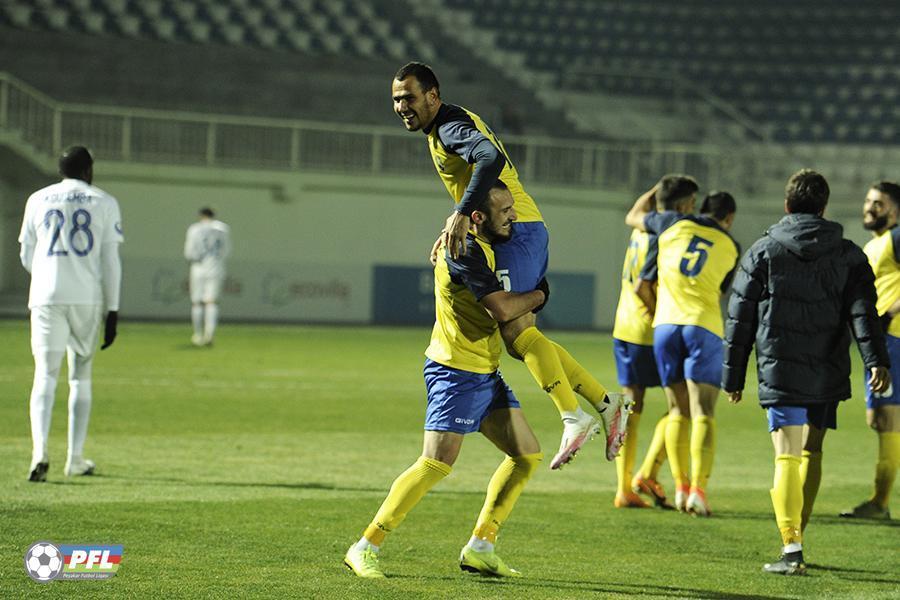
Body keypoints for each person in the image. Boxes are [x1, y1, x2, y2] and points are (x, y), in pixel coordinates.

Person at [391, 61, 628, 470]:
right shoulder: (446, 126)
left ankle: (574, 415)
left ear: (433, 95)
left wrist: (462, 213)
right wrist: (457, 219)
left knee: (516, 330)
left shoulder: (448, 128)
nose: (401, 107)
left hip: (514, 228)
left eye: (409, 97)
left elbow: (490, 159)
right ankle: (606, 405)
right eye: (396, 100)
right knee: (520, 335)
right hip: (513, 228)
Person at [344, 181, 546, 578]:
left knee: (525, 455)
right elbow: (503, 309)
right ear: (478, 217)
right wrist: (540, 294)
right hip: (455, 371)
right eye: (505, 211)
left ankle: (481, 546)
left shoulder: (483, 242)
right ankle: (365, 546)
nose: (514, 216)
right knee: (435, 463)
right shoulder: (463, 252)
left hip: (484, 370)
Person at [722, 169, 890, 574]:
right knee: (812, 451)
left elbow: (740, 316)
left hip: (780, 369)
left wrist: (733, 376)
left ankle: (792, 546)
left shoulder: (763, 250)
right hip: (826, 369)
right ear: (824, 207)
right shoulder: (849, 254)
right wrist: (876, 360)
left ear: (787, 205)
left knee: (786, 455)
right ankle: (799, 535)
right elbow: (863, 313)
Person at [625, 177, 739, 515]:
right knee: (703, 411)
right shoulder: (731, 244)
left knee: (677, 410)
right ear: (729, 218)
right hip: (703, 326)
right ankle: (699, 492)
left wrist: (657, 188)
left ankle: (680, 487)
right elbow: (720, 291)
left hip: (665, 327)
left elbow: (634, 217)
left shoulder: (672, 223)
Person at [18, 146, 123, 481]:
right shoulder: (104, 201)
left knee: (45, 375)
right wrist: (113, 310)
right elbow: (111, 261)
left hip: (46, 296)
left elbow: (26, 255)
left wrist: (48, 276)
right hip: (86, 298)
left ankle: (39, 453)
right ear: (88, 170)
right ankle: (74, 459)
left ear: (60, 170)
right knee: (80, 378)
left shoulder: (37, 199)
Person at [840, 181, 900, 520]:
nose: (868, 207)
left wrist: (890, 312)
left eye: (877, 203)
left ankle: (880, 503)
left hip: (893, 341)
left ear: (895, 210)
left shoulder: (897, 238)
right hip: (883, 341)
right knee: (880, 419)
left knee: (887, 420)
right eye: (867, 201)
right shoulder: (877, 244)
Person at [612, 200, 670, 509]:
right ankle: (648, 472)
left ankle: (624, 489)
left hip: (624, 327)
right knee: (684, 406)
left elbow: (634, 211)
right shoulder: (666, 233)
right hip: (651, 329)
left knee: (631, 407)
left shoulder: (639, 228)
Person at [184, 207, 230, 346]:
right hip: (216, 266)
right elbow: (226, 249)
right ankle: (209, 334)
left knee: (197, 302)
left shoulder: (194, 229)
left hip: (198, 267)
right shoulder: (223, 229)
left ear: (200, 216)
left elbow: (189, 251)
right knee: (211, 301)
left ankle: (198, 334)